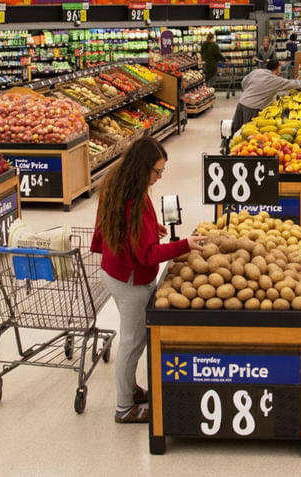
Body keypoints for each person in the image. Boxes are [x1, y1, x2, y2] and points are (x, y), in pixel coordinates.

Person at [91, 136, 205, 424]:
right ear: (142, 168)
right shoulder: (134, 198)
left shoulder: (117, 180)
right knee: (132, 341)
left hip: (114, 268)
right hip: (130, 279)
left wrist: (149, 227)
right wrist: (185, 245)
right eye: (157, 171)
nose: (159, 176)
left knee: (133, 339)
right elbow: (147, 256)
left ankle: (130, 390)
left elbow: (118, 222)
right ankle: (124, 407)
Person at [231, 59, 301, 135]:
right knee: (248, 131)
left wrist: (249, 92)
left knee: (235, 127)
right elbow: (291, 83)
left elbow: (244, 81)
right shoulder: (274, 80)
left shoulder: (257, 72)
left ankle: (228, 144)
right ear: (277, 70)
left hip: (242, 102)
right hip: (253, 107)